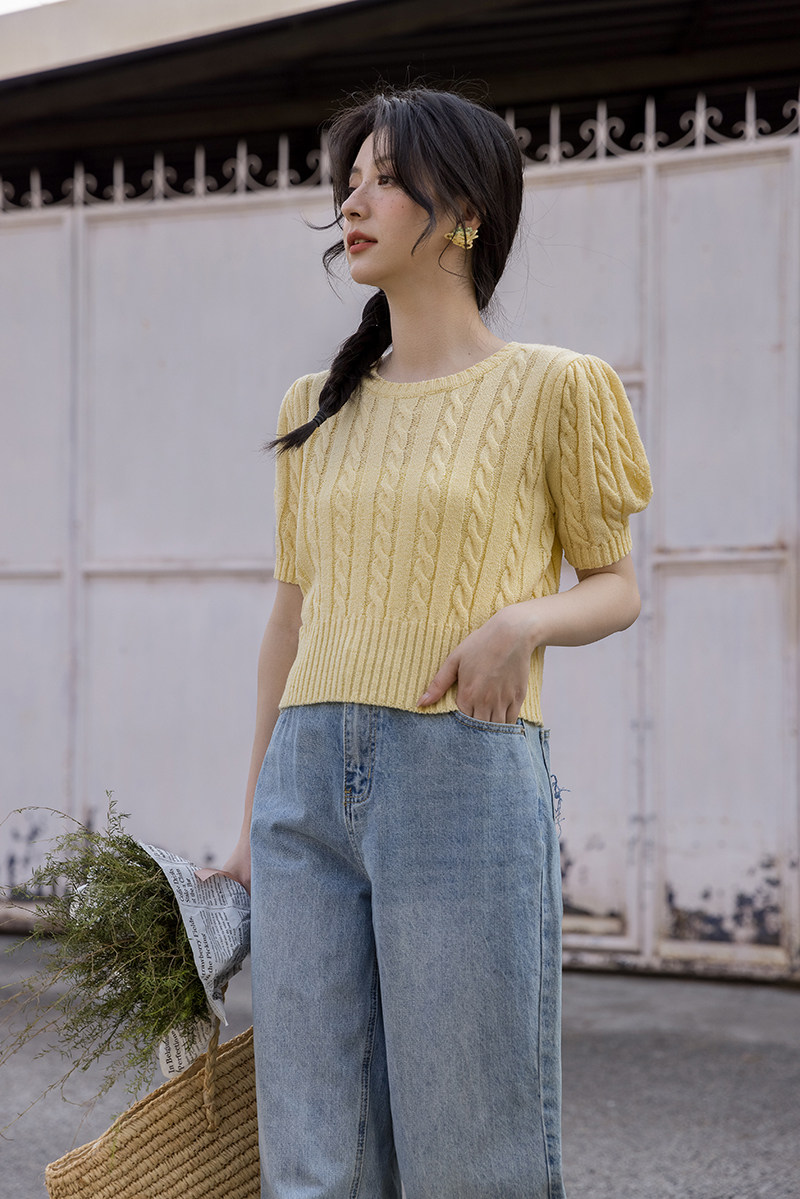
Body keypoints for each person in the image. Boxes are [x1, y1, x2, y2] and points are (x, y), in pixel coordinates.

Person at [223, 84, 652, 1199]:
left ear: (461, 209)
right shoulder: (316, 404)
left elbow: (615, 587)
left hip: (460, 775)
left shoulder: (553, 388)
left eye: (383, 178)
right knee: (311, 1154)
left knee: (470, 1150)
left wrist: (522, 621)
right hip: (303, 785)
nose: (352, 202)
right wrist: (249, 817)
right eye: (349, 180)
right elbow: (289, 620)